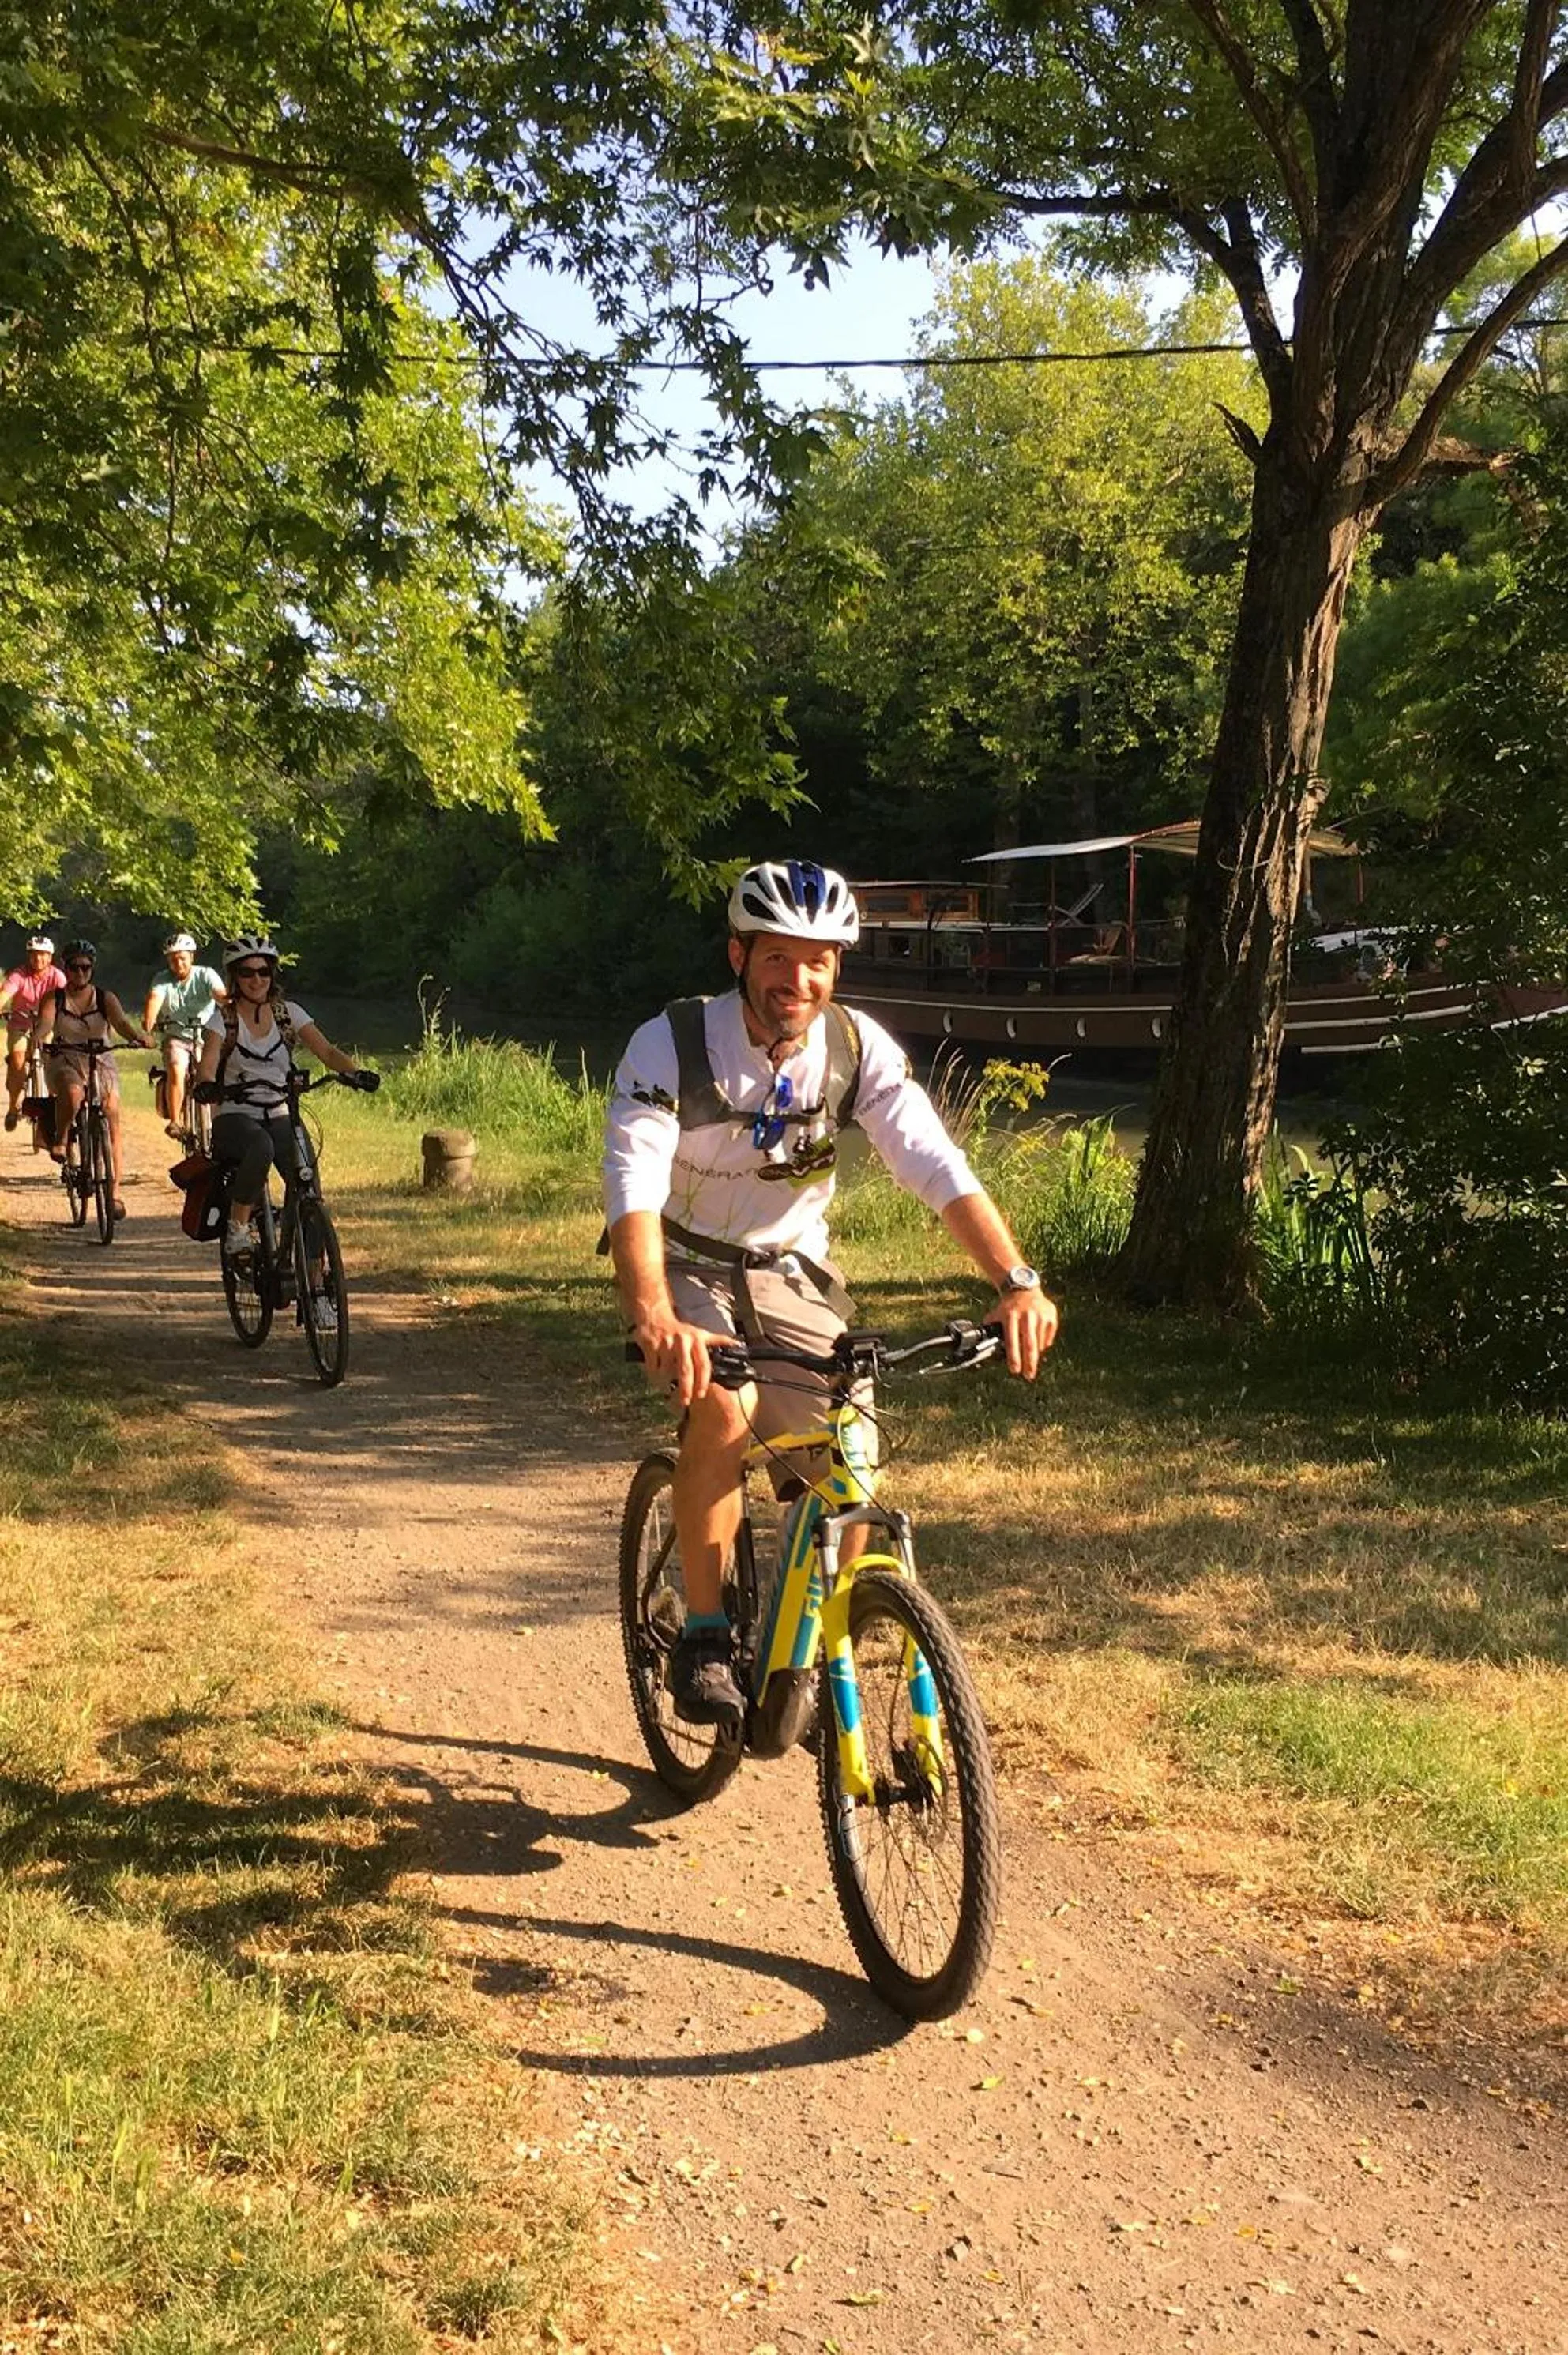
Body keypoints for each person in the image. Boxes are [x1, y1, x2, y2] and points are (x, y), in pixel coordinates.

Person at [603, 857, 1060, 1728]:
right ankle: (702, 1631)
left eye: (817, 960)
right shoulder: (670, 1043)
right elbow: (629, 1178)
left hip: (786, 1266)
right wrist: (654, 1312)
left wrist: (1015, 1278)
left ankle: (809, 1652)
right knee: (725, 1406)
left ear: (836, 966)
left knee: (846, 1458)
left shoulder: (855, 1048)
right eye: (778, 957)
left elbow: (930, 1160)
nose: (797, 978)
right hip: (684, 1258)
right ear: (738, 955)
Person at [191, 934, 378, 1276]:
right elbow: (208, 1062)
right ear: (235, 978)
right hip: (236, 1115)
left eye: (263, 972)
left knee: (308, 1185)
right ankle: (238, 1229)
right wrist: (205, 1084)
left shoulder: (288, 1014)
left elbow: (327, 1052)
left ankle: (316, 1283)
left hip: (281, 1111)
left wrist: (356, 1073)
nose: (257, 980)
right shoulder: (224, 1020)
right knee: (259, 1147)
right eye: (247, 973)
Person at [43, 941, 153, 1213]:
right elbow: (44, 1025)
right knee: (73, 1093)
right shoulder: (54, 998)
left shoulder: (105, 998)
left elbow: (122, 1025)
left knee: (112, 1113)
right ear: (65, 968)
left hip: (101, 1059)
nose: (80, 973)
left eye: (86, 967)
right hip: (65, 1056)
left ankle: (115, 1194)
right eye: (74, 967)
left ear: (92, 969)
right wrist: (38, 1040)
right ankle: (62, 1137)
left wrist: (140, 1038)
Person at [143, 932, 227, 1140]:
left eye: (182, 958)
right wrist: (149, 1022)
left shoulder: (206, 975)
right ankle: (175, 1121)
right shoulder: (162, 980)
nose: (178, 963)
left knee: (211, 1075)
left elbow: (221, 996)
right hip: (176, 1036)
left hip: (205, 1036)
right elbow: (154, 1001)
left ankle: (219, 1121)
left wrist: (230, 1008)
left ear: (192, 957)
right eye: (173, 959)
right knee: (175, 1067)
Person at [2, 934, 66, 1135]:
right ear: (29, 956)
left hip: (46, 1026)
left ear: (51, 957)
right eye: (35, 955)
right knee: (18, 1062)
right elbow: (5, 993)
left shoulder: (57, 977)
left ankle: (53, 1106)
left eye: (43, 956)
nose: (39, 960)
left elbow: (67, 998)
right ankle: (14, 1108)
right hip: (20, 1024)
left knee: (52, 1062)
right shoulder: (19, 975)